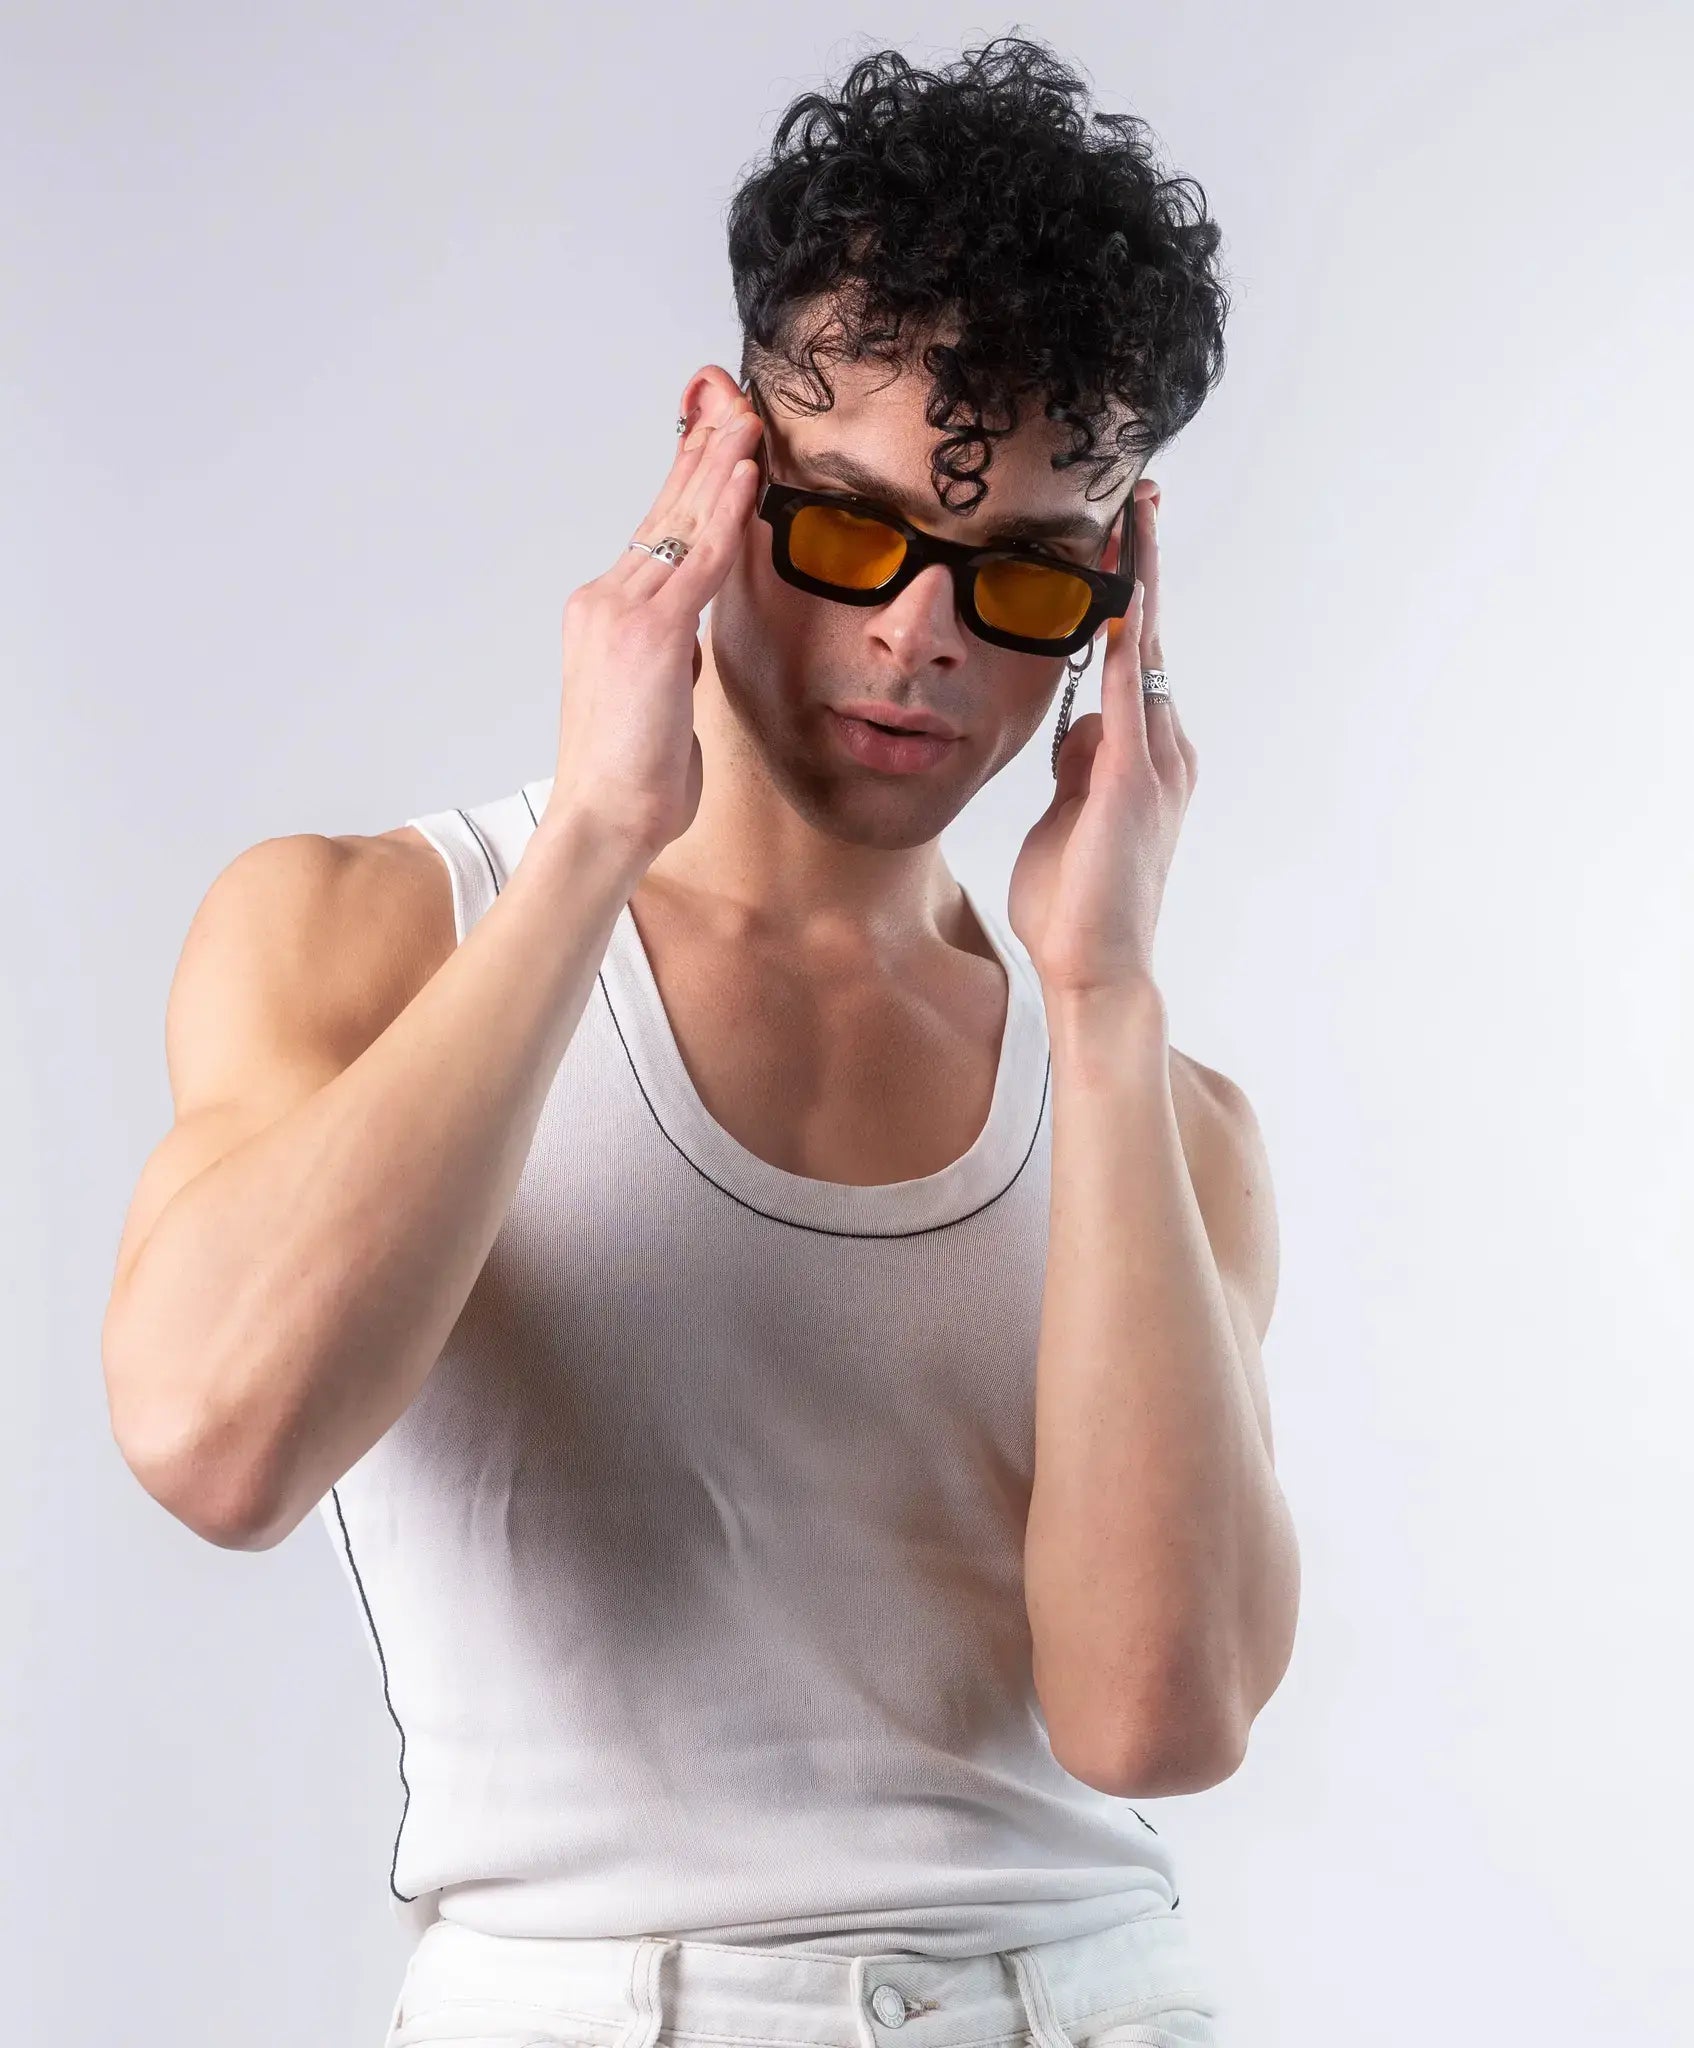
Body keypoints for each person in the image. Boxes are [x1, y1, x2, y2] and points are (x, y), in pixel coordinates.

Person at [99, 35, 1298, 2048]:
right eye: (846, 529)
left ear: (1113, 592)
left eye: (1015, 576)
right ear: (717, 456)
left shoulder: (1162, 1114)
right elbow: (220, 1440)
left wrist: (1098, 1006)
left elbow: (1152, 1715)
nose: (920, 634)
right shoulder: (371, 928)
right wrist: (593, 841)